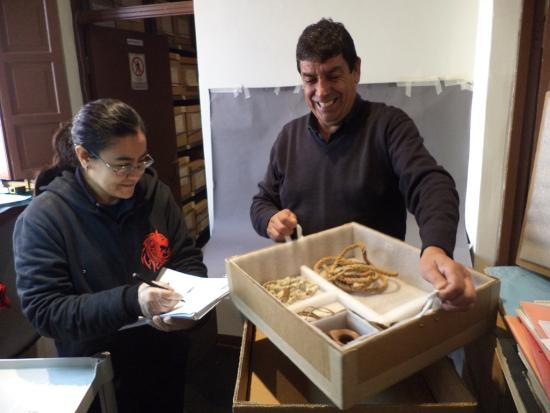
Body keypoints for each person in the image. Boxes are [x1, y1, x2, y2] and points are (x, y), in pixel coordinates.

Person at [250, 18, 475, 312]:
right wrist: (270, 219)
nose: (322, 91)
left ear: (356, 70)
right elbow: (261, 201)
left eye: (333, 75)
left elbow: (430, 183)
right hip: (307, 289)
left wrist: (436, 246)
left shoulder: (388, 126)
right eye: (310, 79)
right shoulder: (288, 138)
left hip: (375, 290)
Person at [14, 99, 206, 412]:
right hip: (97, 372)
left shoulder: (156, 195)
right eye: (121, 164)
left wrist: (191, 308)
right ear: (85, 156)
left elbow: (187, 258)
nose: (135, 173)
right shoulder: (45, 218)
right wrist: (132, 301)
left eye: (141, 160)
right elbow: (45, 311)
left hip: (164, 356)